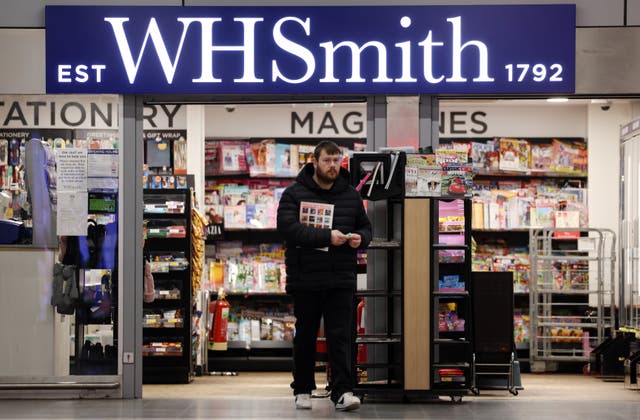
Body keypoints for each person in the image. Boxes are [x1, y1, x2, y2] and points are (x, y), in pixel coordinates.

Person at [276, 140, 372, 411]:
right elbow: (287, 228)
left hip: (340, 277)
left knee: (341, 336)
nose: (333, 166)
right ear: (314, 162)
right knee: (305, 335)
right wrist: (326, 237)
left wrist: (359, 239)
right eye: (327, 160)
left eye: (336, 160)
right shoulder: (294, 194)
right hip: (305, 276)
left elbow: (366, 228)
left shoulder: (351, 195)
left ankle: (343, 391)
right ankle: (303, 389)